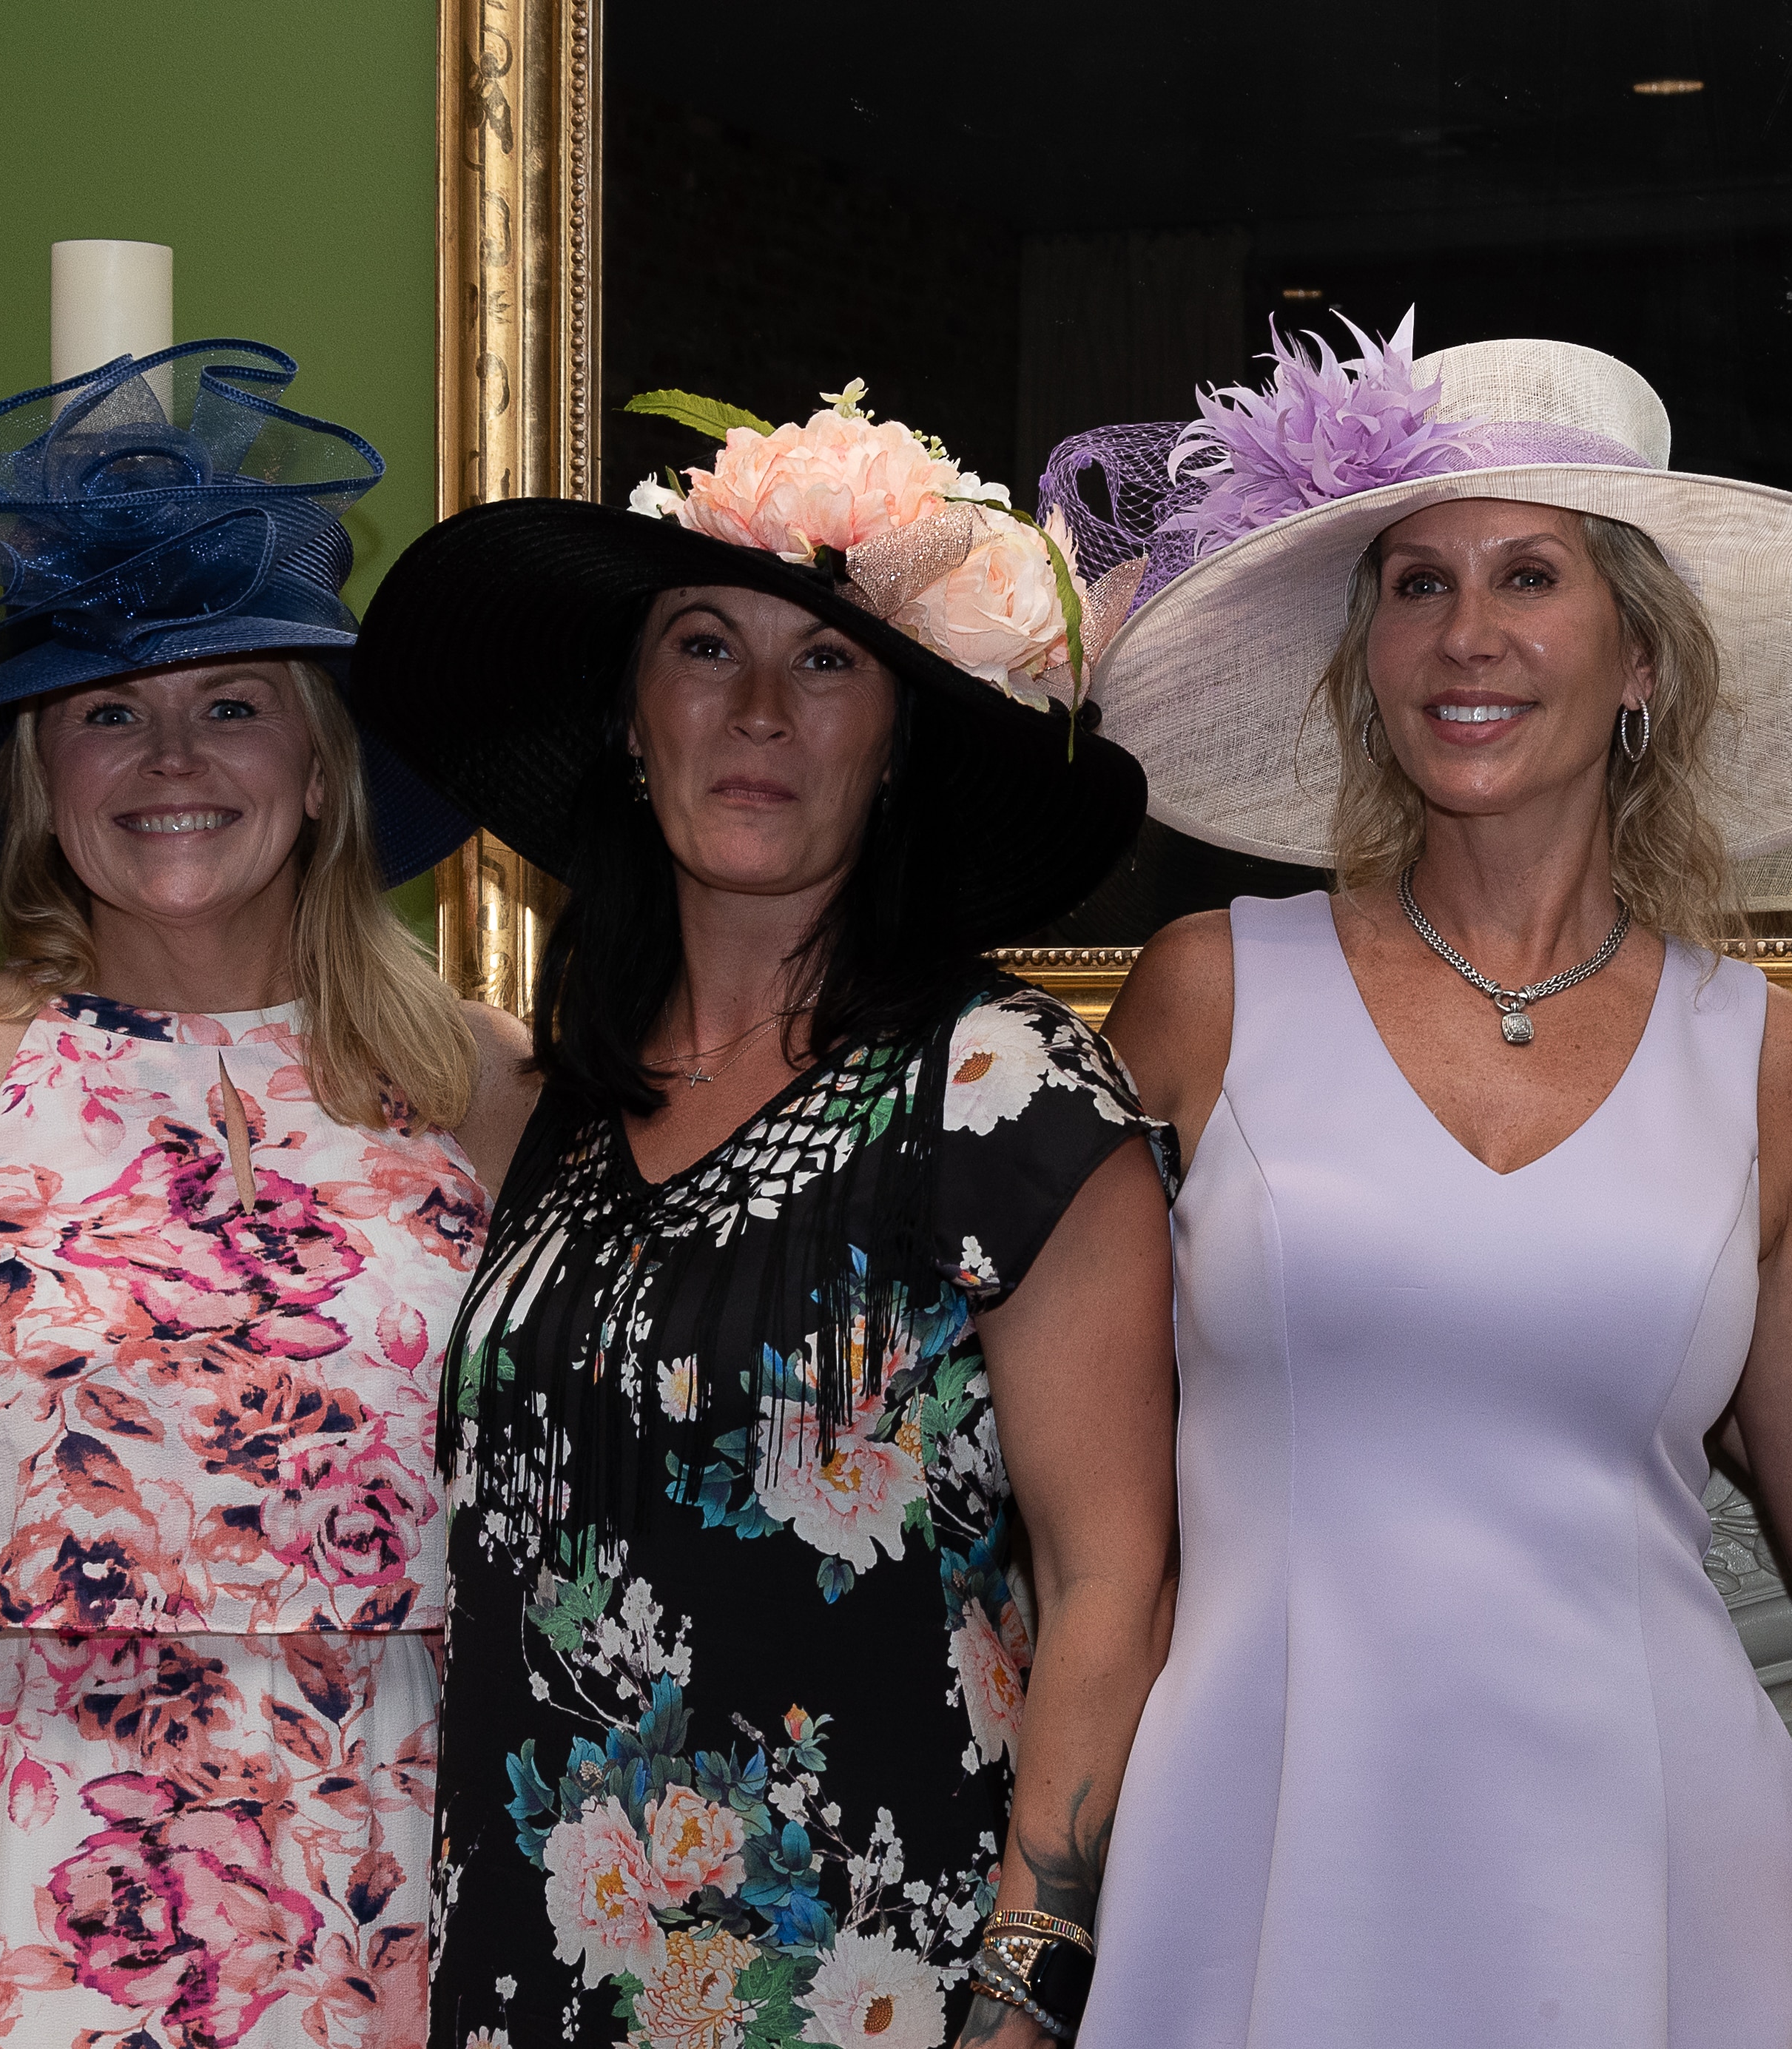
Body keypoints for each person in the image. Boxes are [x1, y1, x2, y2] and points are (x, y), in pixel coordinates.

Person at [1053, 319, 1792, 2047]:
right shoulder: (1204, 991)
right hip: (1260, 1853)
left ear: (1639, 658)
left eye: (1529, 575)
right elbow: (1065, 1497)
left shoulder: (1768, 1060)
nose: (1467, 633)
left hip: (1655, 1875)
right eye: (1417, 583)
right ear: (1366, 660)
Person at [0, 343, 533, 2048]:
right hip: (7, 1905)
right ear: (39, 777)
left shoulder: (484, 1086)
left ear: (322, 763)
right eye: (108, 712)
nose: (168, 757)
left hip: (404, 1903)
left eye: (232, 703)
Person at [348, 379, 1178, 2049]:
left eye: (826, 664)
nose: (757, 711)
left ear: (899, 743)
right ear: (630, 720)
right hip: (531, 1970)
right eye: (704, 647)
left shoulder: (1003, 1088)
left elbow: (1114, 1577)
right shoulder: (555, 1110)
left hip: (876, 1981)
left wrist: (1025, 1987)